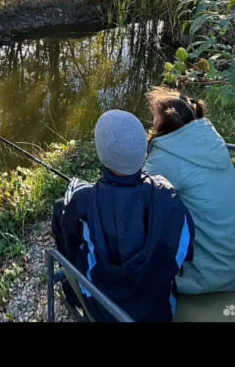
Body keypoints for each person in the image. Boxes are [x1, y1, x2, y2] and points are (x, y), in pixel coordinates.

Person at [52, 109, 195, 322]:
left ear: (102, 153)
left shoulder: (83, 200)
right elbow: (184, 250)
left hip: (106, 311)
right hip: (161, 311)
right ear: (143, 150)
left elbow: (70, 235)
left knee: (59, 209)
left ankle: (72, 293)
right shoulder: (167, 194)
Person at [144, 87, 235, 295]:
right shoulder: (210, 138)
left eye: (155, 117)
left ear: (168, 122)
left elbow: (141, 196)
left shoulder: (165, 158)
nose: (152, 121)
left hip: (221, 268)